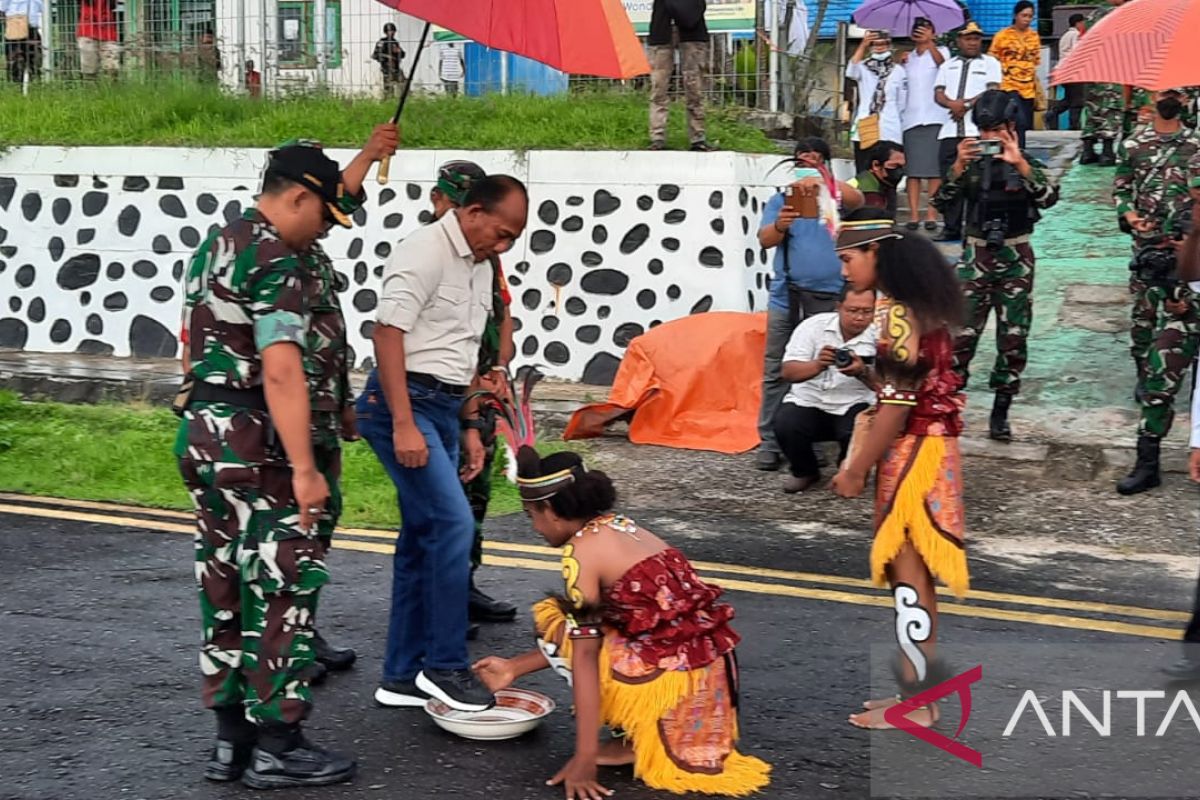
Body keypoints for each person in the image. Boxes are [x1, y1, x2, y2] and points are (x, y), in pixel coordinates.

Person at [175, 128, 396, 788]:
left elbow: (194, 346)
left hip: (209, 439)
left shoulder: (222, 241)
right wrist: (304, 469)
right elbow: (279, 371)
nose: (325, 231)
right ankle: (278, 742)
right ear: (296, 198)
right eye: (321, 217)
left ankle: (231, 740)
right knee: (281, 592)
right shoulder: (276, 255)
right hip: (265, 446)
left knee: (224, 588)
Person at [472, 447, 771, 798]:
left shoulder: (581, 554)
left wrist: (584, 758)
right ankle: (641, 732)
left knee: (555, 619)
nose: (535, 528)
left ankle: (637, 735)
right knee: (581, 623)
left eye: (530, 515)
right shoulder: (623, 526)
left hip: (670, 676)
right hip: (709, 673)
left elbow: (583, 656)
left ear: (551, 511)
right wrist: (513, 668)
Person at [357, 175, 529, 712]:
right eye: (499, 233)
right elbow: (387, 332)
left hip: (444, 406)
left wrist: (470, 427)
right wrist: (406, 424)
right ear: (472, 211)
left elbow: (458, 357)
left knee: (421, 539)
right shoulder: (425, 250)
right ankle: (445, 664)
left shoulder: (482, 265)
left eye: (511, 240)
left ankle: (401, 676)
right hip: (399, 404)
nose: (501, 247)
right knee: (453, 524)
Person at [830, 210, 967, 730]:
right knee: (909, 578)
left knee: (908, 578)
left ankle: (920, 703)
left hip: (916, 454)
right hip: (924, 447)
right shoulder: (911, 307)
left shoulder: (900, 314)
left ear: (876, 253)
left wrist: (855, 468)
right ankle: (916, 694)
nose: (844, 270)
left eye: (848, 259)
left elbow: (897, 405)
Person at [933, 90, 1059, 442]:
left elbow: (1049, 198)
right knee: (961, 335)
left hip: (1016, 256)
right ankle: (947, 405)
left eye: (996, 130)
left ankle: (1001, 411)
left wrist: (1019, 163)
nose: (990, 138)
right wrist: (957, 167)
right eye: (984, 131)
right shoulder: (970, 163)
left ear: (1010, 127)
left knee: (1013, 337)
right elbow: (941, 202)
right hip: (975, 256)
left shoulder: (1027, 162)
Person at [426, 160, 519, 626]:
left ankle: (463, 585)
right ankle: (436, 598)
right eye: (452, 201)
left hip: (480, 391)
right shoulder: (427, 253)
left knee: (475, 496)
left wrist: (500, 366)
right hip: (440, 394)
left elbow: (503, 314)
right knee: (444, 504)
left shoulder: (488, 253)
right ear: (437, 200)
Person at [755, 138, 865, 472]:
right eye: (801, 162)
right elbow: (764, 240)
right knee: (777, 369)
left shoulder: (836, 200)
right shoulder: (780, 200)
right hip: (787, 296)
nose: (806, 169)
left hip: (831, 299)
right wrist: (781, 225)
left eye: (815, 162)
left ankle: (809, 441)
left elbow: (859, 199)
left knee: (822, 366)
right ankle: (770, 442)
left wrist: (823, 183)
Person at [1111, 89, 1200, 495]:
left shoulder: (1196, 145)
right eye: (1167, 91)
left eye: (1179, 92)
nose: (1172, 98)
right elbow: (1122, 190)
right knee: (1149, 331)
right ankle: (1148, 460)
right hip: (1154, 254)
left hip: (1194, 259)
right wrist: (1130, 216)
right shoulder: (1133, 144)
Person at [774, 286, 878, 494]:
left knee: (861, 426)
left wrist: (862, 371)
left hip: (854, 403)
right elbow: (787, 372)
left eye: (867, 311)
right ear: (838, 307)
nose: (859, 317)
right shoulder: (813, 327)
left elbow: (888, 387)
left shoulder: (880, 335)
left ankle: (847, 470)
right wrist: (818, 364)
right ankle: (805, 471)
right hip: (810, 400)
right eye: (852, 310)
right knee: (786, 423)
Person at [932, 21, 1002, 243]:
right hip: (950, 130)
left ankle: (975, 226)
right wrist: (952, 105)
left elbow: (992, 91)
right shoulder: (947, 65)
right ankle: (951, 227)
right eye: (968, 38)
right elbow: (938, 93)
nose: (973, 42)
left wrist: (967, 105)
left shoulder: (990, 63)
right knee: (950, 180)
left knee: (977, 180)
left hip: (976, 131)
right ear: (959, 40)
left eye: (976, 38)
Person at [899, 17, 950, 231]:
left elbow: (945, 67)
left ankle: (931, 213)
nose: (921, 31)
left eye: (926, 28)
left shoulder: (942, 52)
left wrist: (930, 44)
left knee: (933, 170)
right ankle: (912, 216)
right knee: (913, 171)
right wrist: (899, 60)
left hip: (935, 116)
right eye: (918, 29)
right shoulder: (907, 58)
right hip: (910, 118)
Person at [647, 0, 714, 152]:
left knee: (694, 88)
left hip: (693, 33)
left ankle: (698, 137)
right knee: (659, 88)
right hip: (661, 32)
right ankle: (657, 137)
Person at [846, 30, 908, 174]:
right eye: (875, 44)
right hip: (867, 124)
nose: (880, 47)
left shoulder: (898, 70)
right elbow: (850, 71)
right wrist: (863, 45)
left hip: (889, 127)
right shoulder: (863, 67)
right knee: (864, 170)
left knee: (890, 170)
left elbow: (902, 102)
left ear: (889, 45)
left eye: (883, 44)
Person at [1079, 0, 1128, 166]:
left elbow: (1083, 41)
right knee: (1111, 109)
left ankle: (1087, 151)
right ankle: (1107, 153)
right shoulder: (1121, 13)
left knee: (1092, 109)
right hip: (1113, 69)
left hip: (1092, 70)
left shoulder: (1093, 15)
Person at [989, 1, 1041, 148]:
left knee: (1024, 125)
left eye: (1030, 16)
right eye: (1024, 15)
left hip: (1028, 87)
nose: (1027, 19)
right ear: (1015, 15)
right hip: (1008, 84)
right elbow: (992, 58)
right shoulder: (1002, 36)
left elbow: (1036, 60)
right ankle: (1010, 150)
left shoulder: (1034, 36)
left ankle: (1020, 153)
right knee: (1018, 119)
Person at [1045, 14, 1086, 131]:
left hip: (1063, 70)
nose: (1084, 25)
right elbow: (1077, 51)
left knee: (1069, 99)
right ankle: (1074, 125)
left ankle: (1052, 113)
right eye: (1083, 23)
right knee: (1077, 100)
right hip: (1073, 70)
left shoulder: (1065, 35)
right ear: (1078, 23)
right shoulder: (1076, 35)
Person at [850, 139, 906, 217]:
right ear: (876, 165)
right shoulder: (868, 190)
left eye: (902, 166)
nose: (900, 171)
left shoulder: (885, 185)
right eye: (894, 166)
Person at [1, 0, 43, 84]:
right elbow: (2, 7)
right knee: (15, 60)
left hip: (32, 27)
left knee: (35, 59)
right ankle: (15, 85)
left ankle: (33, 83)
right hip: (16, 25)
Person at [77, 0, 119, 81]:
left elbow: (113, 5)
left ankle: (111, 90)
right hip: (88, 30)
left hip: (107, 31)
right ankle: (91, 91)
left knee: (112, 67)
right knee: (89, 66)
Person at [373, 23, 406, 97]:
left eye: (393, 31)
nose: (391, 33)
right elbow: (376, 55)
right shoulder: (382, 42)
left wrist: (399, 52)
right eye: (389, 31)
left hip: (396, 68)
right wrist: (387, 58)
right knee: (389, 89)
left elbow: (403, 55)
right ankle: (388, 102)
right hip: (387, 69)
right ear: (385, 32)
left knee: (404, 86)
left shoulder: (395, 42)